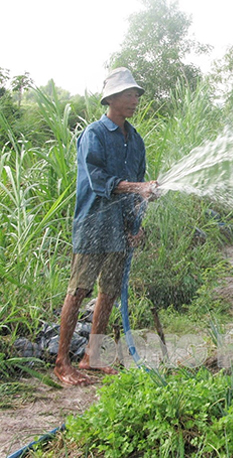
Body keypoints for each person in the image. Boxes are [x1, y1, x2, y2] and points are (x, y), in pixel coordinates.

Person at [54, 67, 159, 386]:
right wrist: (136, 189)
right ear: (111, 98)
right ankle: (61, 363)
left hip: (119, 227)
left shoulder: (136, 139)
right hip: (93, 222)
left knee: (109, 291)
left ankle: (91, 357)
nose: (134, 100)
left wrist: (135, 224)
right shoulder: (94, 135)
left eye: (136, 95)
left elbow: (138, 183)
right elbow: (97, 179)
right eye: (129, 94)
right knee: (79, 290)